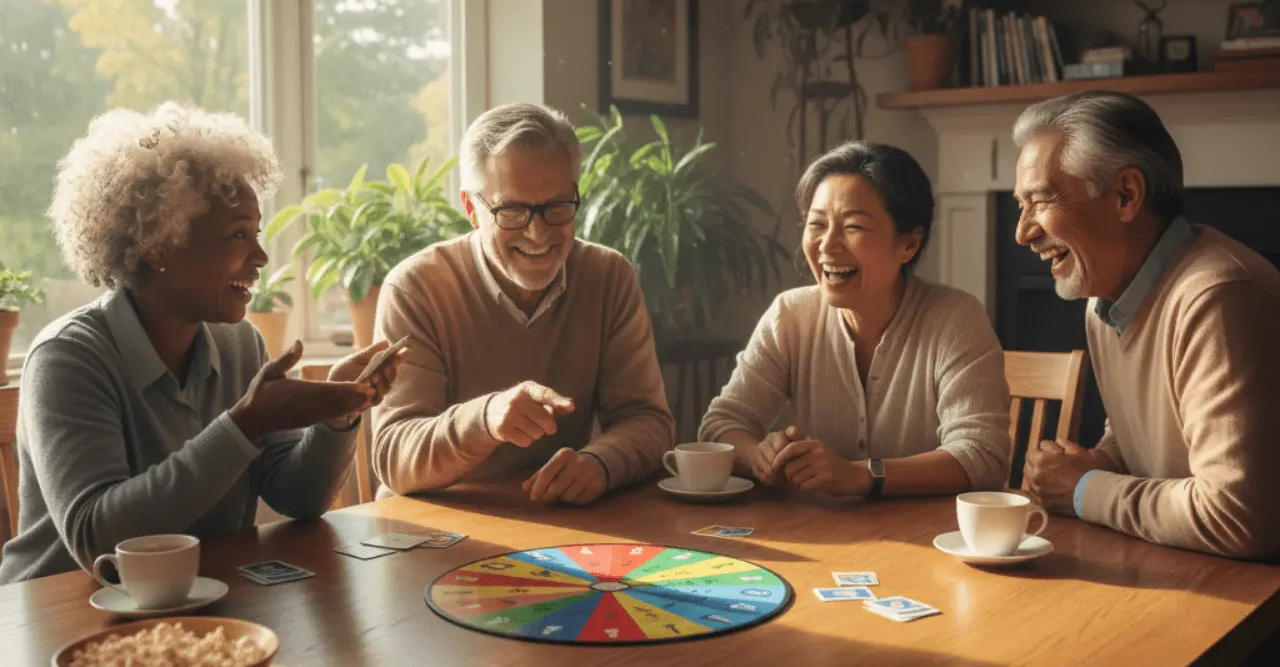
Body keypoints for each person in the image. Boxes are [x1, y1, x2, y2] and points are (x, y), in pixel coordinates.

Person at [0, 102, 403, 584]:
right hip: (60, 622)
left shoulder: (240, 344)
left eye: (256, 232)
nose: (261, 256)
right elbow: (97, 539)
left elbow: (298, 497)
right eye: (238, 235)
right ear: (159, 243)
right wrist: (243, 425)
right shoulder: (67, 358)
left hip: (196, 608)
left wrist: (336, 417)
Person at [1014, 91, 1280, 560]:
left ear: (1125, 195)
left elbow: (1236, 517)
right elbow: (1146, 438)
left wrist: (1085, 489)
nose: (1023, 231)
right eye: (1020, 205)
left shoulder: (1217, 297)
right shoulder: (1105, 296)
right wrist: (1101, 461)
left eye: (1039, 200)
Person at [370, 103, 674, 505]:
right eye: (512, 210)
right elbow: (394, 458)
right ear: (471, 210)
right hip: (429, 532)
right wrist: (486, 419)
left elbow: (650, 422)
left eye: (558, 207)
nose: (538, 232)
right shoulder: (416, 288)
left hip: (557, 524)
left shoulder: (608, 277)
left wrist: (600, 463)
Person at [698, 142, 1010, 498]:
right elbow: (720, 426)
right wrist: (758, 457)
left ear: (908, 245)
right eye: (816, 224)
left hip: (929, 541)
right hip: (820, 536)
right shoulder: (789, 315)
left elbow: (983, 456)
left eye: (853, 227)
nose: (827, 245)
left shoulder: (955, 319)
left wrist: (862, 475)